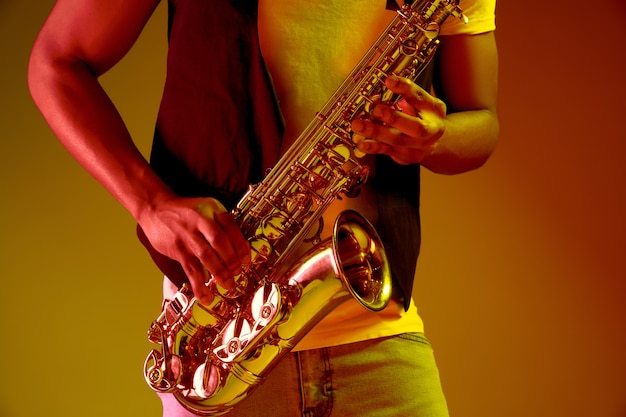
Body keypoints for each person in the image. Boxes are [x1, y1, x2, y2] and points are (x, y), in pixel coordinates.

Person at [28, 0, 499, 416]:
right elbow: (56, 59)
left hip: (375, 331)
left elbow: (481, 121)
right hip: (219, 340)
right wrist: (150, 202)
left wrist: (437, 137)